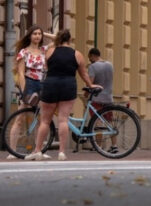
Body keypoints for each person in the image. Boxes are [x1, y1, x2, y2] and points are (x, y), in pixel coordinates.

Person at [26, 30, 101, 161]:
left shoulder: (50, 52)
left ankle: (37, 150)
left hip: (51, 85)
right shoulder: (77, 54)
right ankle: (61, 152)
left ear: (59, 39)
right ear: (70, 40)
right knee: (63, 120)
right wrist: (90, 85)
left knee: (45, 120)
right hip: (68, 85)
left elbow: (46, 67)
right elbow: (83, 74)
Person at [7, 26, 52, 159]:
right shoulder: (24, 52)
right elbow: (21, 73)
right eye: (34, 34)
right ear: (29, 36)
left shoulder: (44, 50)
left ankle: (38, 150)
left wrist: (46, 33)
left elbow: (58, 39)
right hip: (29, 83)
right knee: (20, 118)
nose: (37, 36)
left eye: (39, 34)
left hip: (42, 84)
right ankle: (12, 151)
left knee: (41, 119)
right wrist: (24, 90)